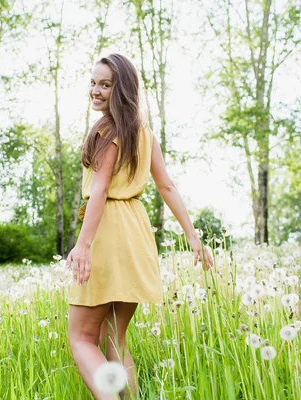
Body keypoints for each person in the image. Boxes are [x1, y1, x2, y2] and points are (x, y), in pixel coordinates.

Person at [66, 53, 215, 399]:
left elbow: (100, 189)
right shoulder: (142, 131)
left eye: (105, 84)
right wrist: (193, 236)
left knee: (82, 338)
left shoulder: (106, 129)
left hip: (105, 230)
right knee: (113, 339)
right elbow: (167, 186)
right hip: (135, 232)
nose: (96, 90)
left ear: (122, 89)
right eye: (93, 82)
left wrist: (84, 244)